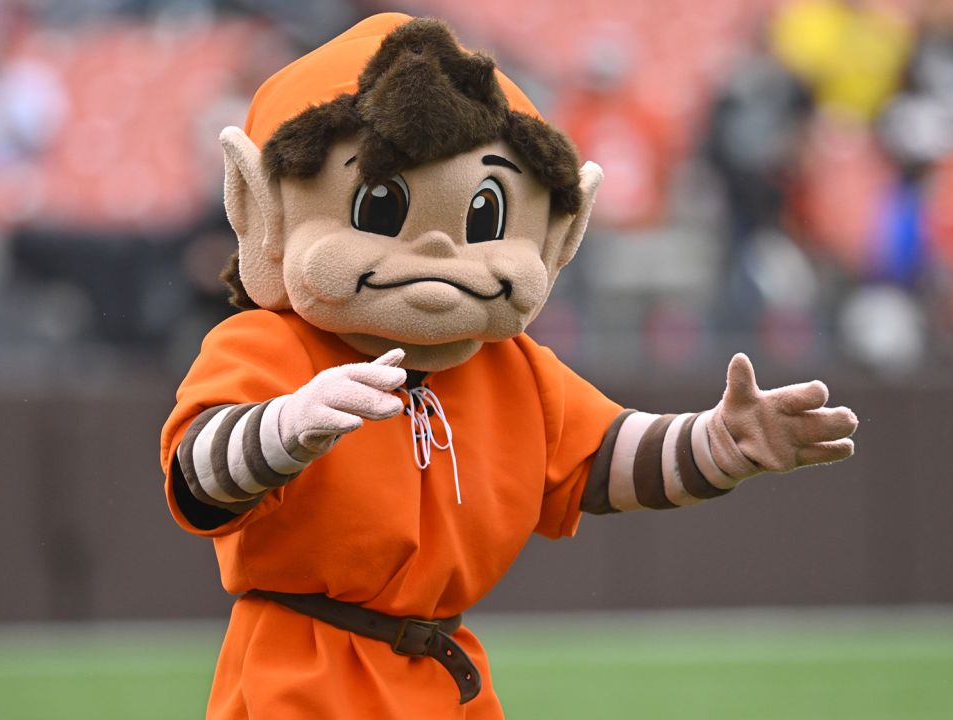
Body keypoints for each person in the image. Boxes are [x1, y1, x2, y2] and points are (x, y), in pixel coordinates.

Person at [160, 14, 858, 719]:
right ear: (262, 206)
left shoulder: (509, 366)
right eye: (381, 206)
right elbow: (197, 478)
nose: (437, 255)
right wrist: (284, 427)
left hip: (445, 679)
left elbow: (600, 459)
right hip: (302, 680)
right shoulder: (269, 344)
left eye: (484, 217)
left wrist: (721, 443)